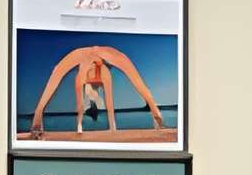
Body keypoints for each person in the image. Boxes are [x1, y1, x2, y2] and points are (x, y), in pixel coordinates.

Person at [26, 45, 169, 139]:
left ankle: (37, 116)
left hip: (89, 56)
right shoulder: (99, 72)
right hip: (97, 55)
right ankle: (155, 110)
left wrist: (79, 125)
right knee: (130, 71)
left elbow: (78, 97)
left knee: (59, 71)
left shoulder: (88, 70)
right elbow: (109, 100)